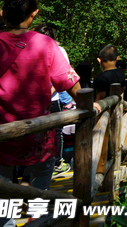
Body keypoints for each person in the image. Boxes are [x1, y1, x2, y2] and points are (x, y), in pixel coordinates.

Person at [0, 0, 100, 227]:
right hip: (37, 135)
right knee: (42, 196)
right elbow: (70, 85)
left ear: (3, 13)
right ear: (34, 14)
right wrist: (89, 105)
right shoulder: (45, 44)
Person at [34, 23, 74, 178]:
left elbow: (63, 76)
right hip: (49, 98)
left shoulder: (29, 48)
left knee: (50, 133)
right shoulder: (59, 50)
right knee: (53, 133)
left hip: (44, 99)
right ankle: (55, 163)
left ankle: (55, 162)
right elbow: (66, 77)